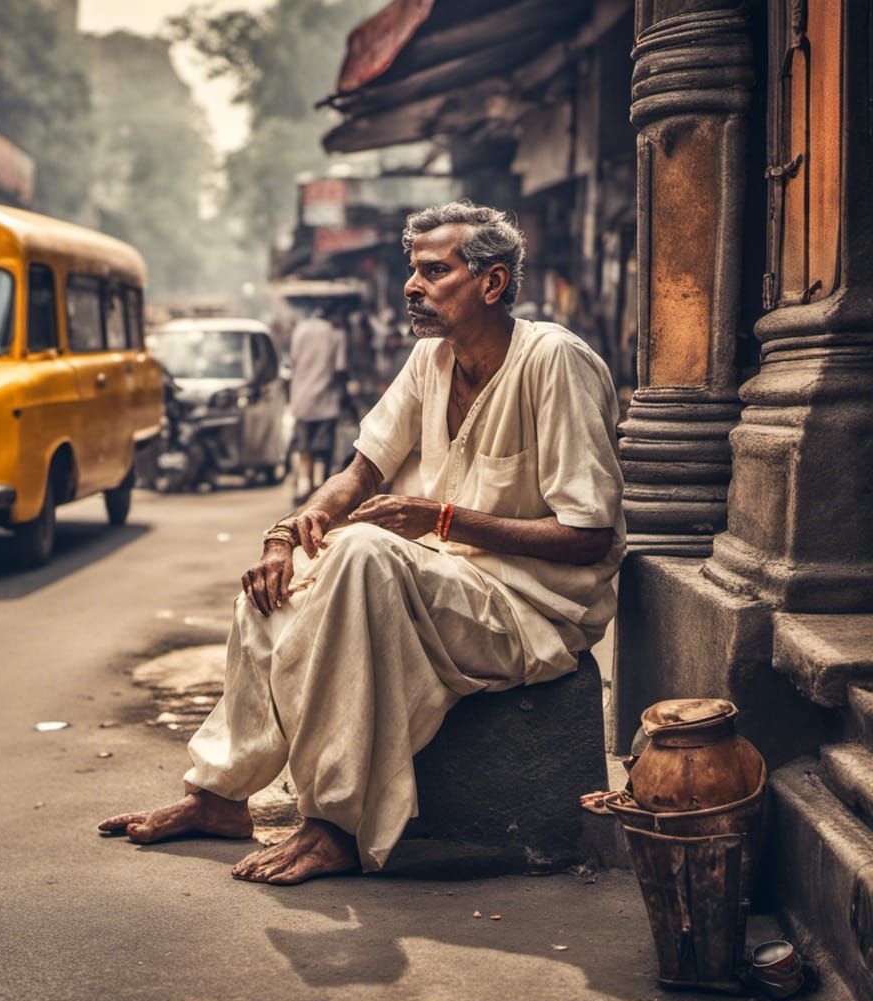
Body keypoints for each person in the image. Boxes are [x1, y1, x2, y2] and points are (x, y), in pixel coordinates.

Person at [98, 201, 625, 886]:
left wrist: (441, 520)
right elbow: (359, 473)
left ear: (492, 284)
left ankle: (336, 823)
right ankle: (219, 796)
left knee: (360, 554)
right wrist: (286, 535)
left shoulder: (554, 361)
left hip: (535, 607)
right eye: (414, 270)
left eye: (435, 271)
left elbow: (588, 538)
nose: (413, 286)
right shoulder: (428, 360)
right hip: (444, 580)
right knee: (278, 580)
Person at [287, 305, 349, 500]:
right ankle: (321, 489)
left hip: (301, 398)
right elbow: (340, 368)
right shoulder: (336, 334)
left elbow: (293, 360)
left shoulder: (300, 330)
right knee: (324, 449)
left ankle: (305, 485)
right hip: (326, 400)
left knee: (304, 448)